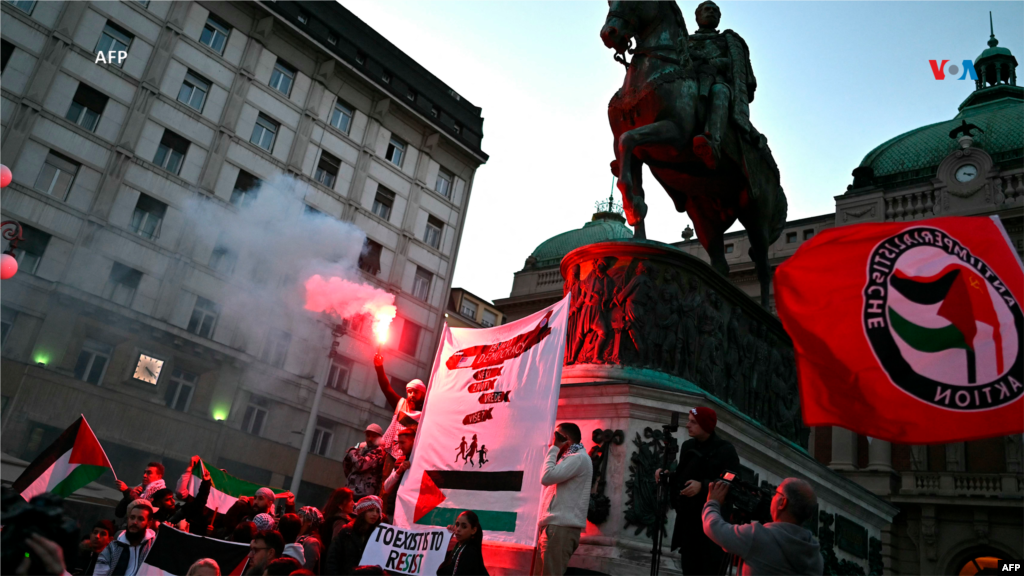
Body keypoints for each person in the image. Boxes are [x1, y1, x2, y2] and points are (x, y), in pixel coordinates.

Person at [654, 407, 739, 576]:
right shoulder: (688, 446)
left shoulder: (725, 450)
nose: (687, 425)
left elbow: (733, 482)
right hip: (689, 527)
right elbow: (682, 476)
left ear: (705, 425)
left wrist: (703, 486)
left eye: (693, 422)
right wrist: (667, 476)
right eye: (689, 421)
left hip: (712, 534)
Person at [703, 478, 824, 576]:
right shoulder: (816, 558)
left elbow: (714, 527)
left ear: (782, 503)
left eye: (776, 493)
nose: (772, 497)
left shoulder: (758, 537)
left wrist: (712, 502)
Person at [538, 422, 592, 576]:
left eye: (556, 438)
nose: (551, 442)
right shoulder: (569, 458)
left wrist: (554, 448)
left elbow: (546, 477)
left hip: (560, 528)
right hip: (555, 527)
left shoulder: (578, 458)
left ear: (565, 439)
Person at [373, 353, 426, 485]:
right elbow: (386, 388)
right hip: (392, 457)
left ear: (423, 394)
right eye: (409, 391)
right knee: (386, 488)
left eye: (415, 392)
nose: (412, 395)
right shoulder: (400, 404)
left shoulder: (426, 413)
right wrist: (379, 367)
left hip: (412, 459)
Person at [325, 495, 385, 576]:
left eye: (378, 511)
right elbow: (332, 560)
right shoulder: (346, 532)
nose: (375, 514)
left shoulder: (379, 536)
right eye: (371, 510)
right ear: (362, 512)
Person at [95, 499, 157, 576]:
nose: (134, 522)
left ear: (149, 523)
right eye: (132, 517)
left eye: (140, 519)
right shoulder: (113, 547)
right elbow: (99, 573)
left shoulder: (154, 547)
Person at [437, 511, 489, 576]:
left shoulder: (470, 552)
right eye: (457, 525)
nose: (458, 529)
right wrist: (447, 536)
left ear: (473, 530)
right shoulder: (459, 547)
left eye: (464, 526)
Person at [381, 424, 416, 517]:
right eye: (398, 443)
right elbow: (386, 487)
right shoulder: (400, 461)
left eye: (403, 443)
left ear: (414, 441)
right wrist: (399, 472)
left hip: (409, 513)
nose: (399, 447)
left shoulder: (420, 462)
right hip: (394, 511)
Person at [343, 424, 386, 500]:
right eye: (368, 436)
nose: (370, 439)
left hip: (365, 495)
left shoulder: (379, 452)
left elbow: (361, 465)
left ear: (380, 438)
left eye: (374, 436)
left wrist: (352, 451)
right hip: (352, 491)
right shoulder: (362, 449)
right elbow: (346, 465)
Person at [320, 487, 356, 552]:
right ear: (340, 503)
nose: (353, 503)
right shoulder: (340, 521)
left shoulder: (329, 517)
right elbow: (337, 545)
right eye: (350, 500)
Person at [296, 506, 325, 574]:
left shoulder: (312, 543)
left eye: (300, 516)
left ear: (309, 521)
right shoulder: (295, 536)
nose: (296, 519)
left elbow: (306, 570)